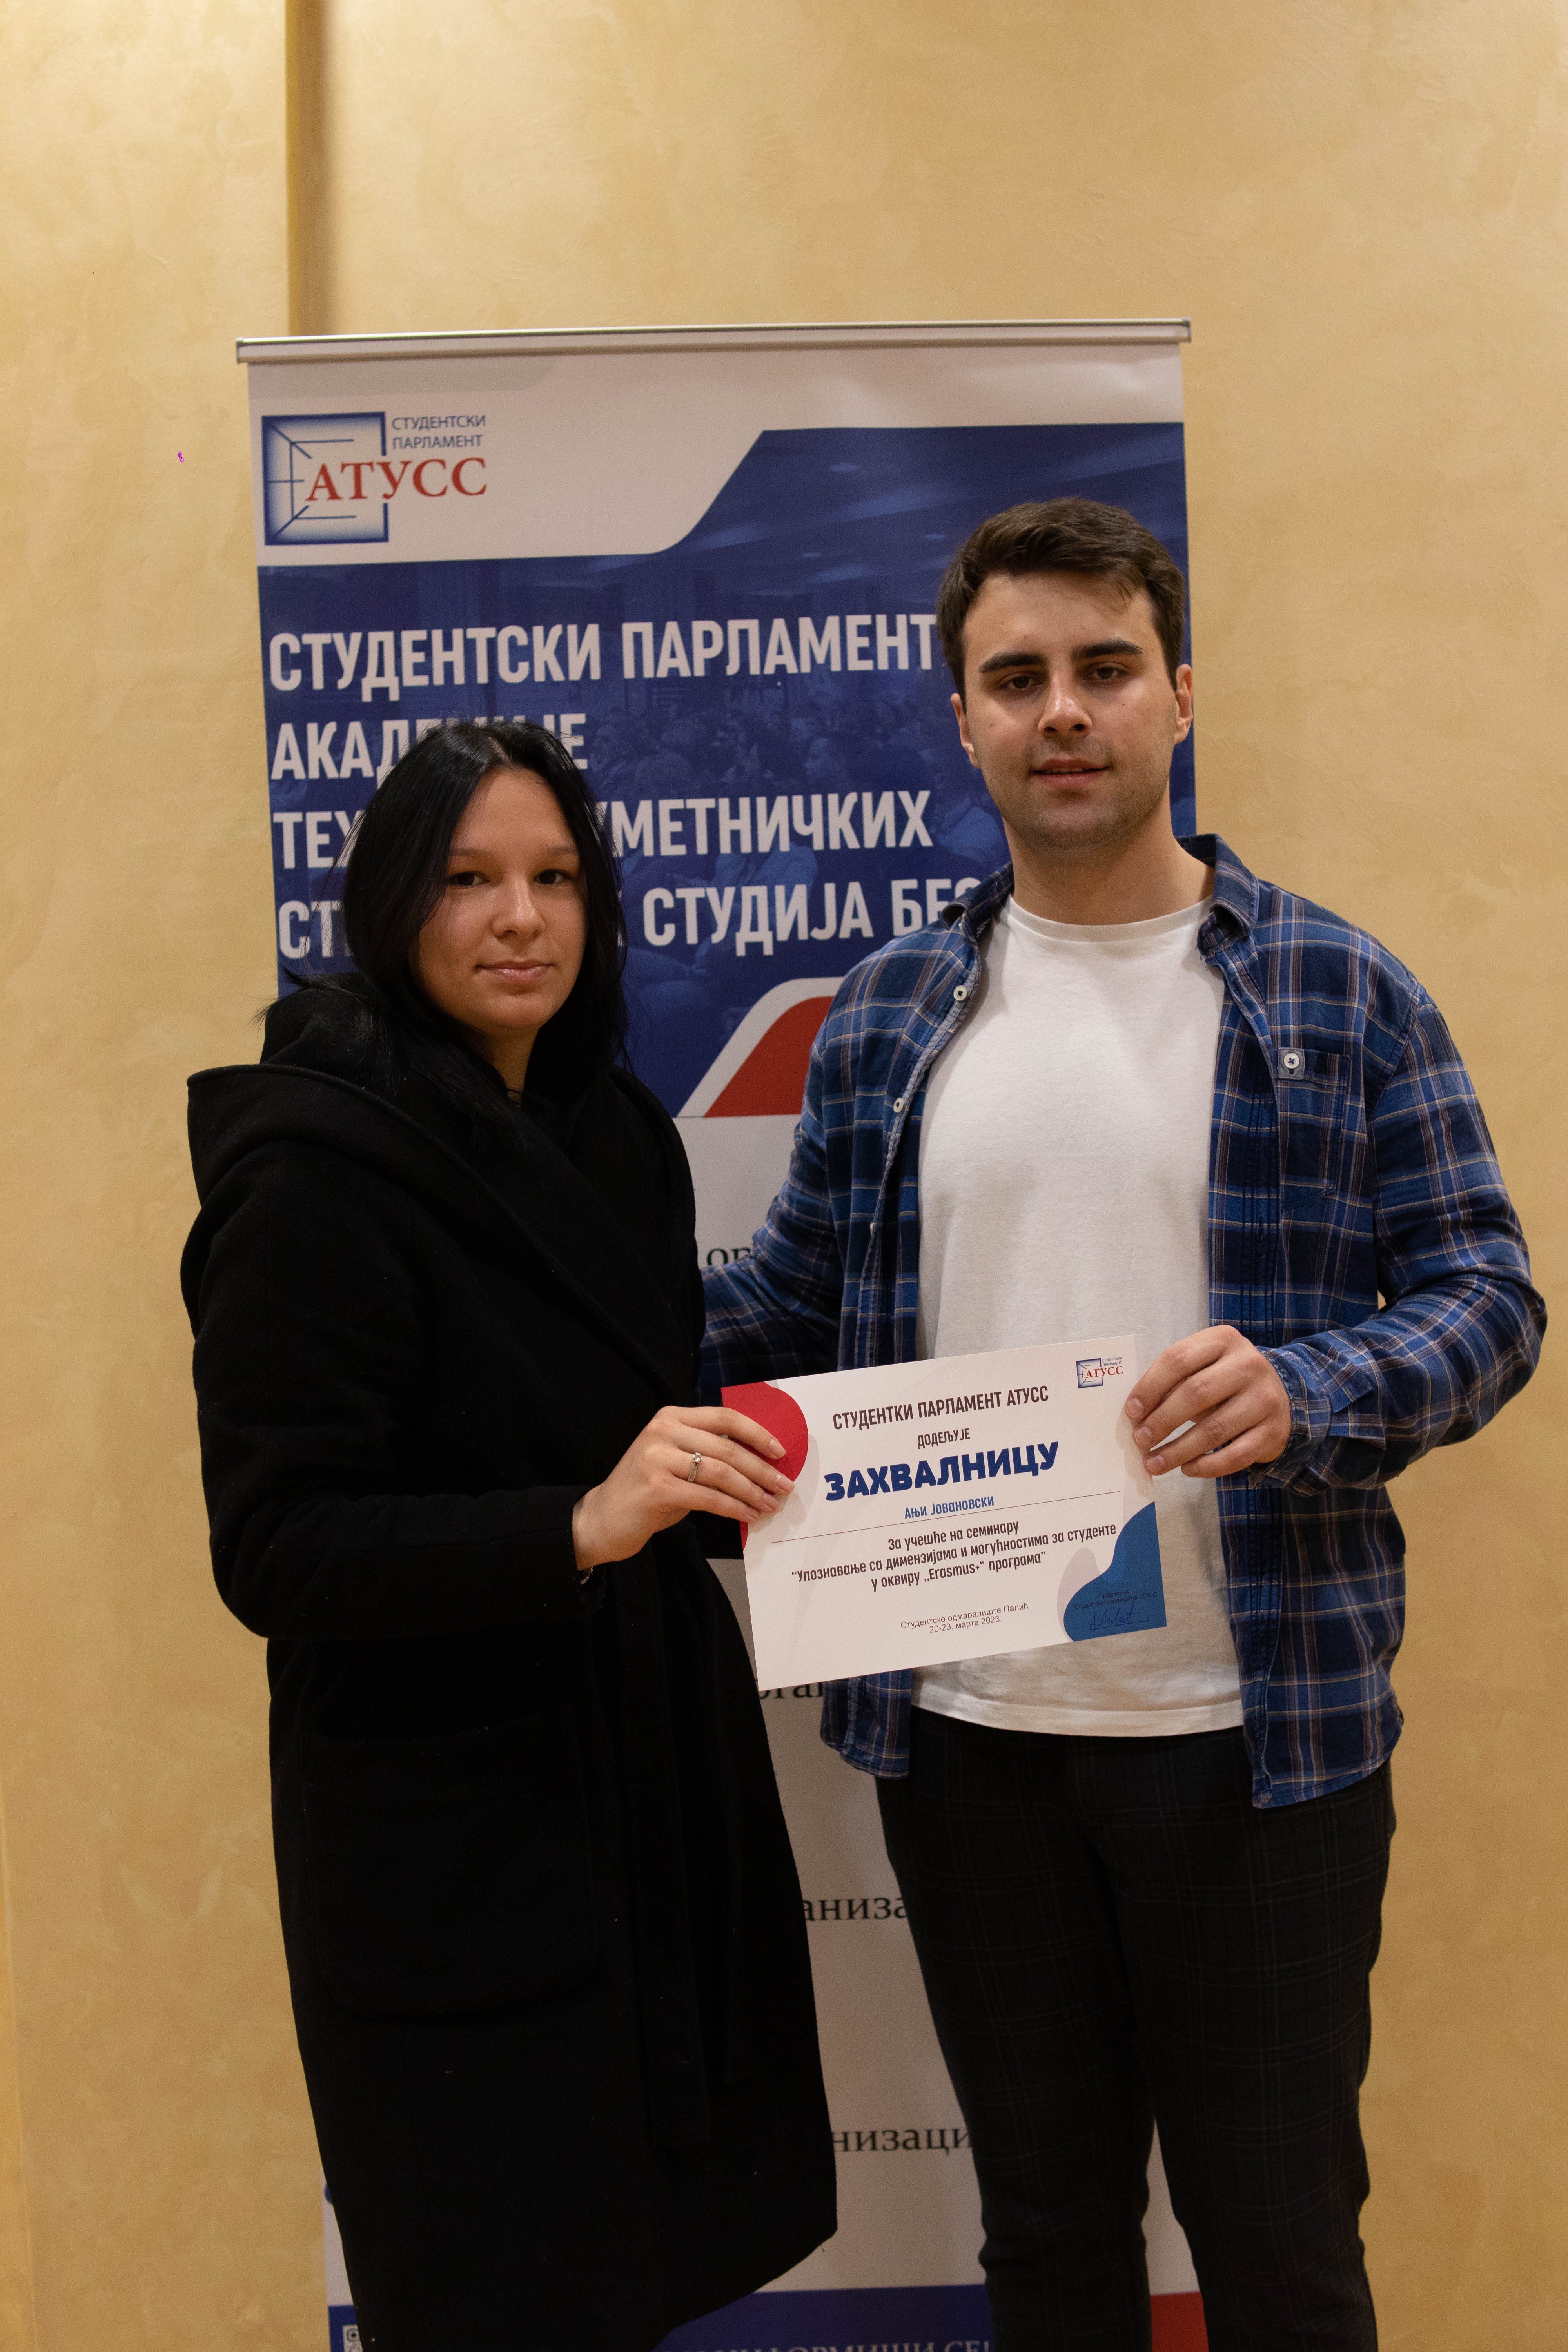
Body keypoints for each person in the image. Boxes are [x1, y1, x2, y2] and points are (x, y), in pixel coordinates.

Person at [702, 501, 1544, 2352]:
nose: (1062, 712)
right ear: (963, 721)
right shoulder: (890, 1013)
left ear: (1179, 695)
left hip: (1258, 1741)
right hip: (966, 1741)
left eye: (1102, 669)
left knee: (1279, 2253)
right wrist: (524, 1329)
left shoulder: (1338, 989)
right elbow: (780, 1309)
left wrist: (1309, 1388)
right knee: (1048, 2245)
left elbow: (1490, 1300)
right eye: (1016, 679)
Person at [181, 722, 835, 2352]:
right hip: (451, 1830)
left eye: (555, 877)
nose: (520, 918)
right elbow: (282, 1551)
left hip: (648, 1789)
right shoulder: (309, 1172)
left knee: (637, 2273)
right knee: (492, 2287)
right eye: (469, 879)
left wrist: (828, 1496)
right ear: (391, 904)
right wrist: (580, 1526)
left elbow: (638, 1446)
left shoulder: (617, 1133)